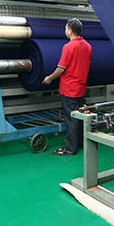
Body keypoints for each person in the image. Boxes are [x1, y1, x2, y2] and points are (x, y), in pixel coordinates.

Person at [43, 18, 92, 156]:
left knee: (71, 119)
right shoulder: (88, 46)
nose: (65, 31)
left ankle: (70, 148)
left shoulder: (68, 47)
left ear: (70, 31)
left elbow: (61, 69)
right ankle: (82, 142)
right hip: (81, 88)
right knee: (81, 117)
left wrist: (49, 78)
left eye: (65, 28)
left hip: (69, 89)